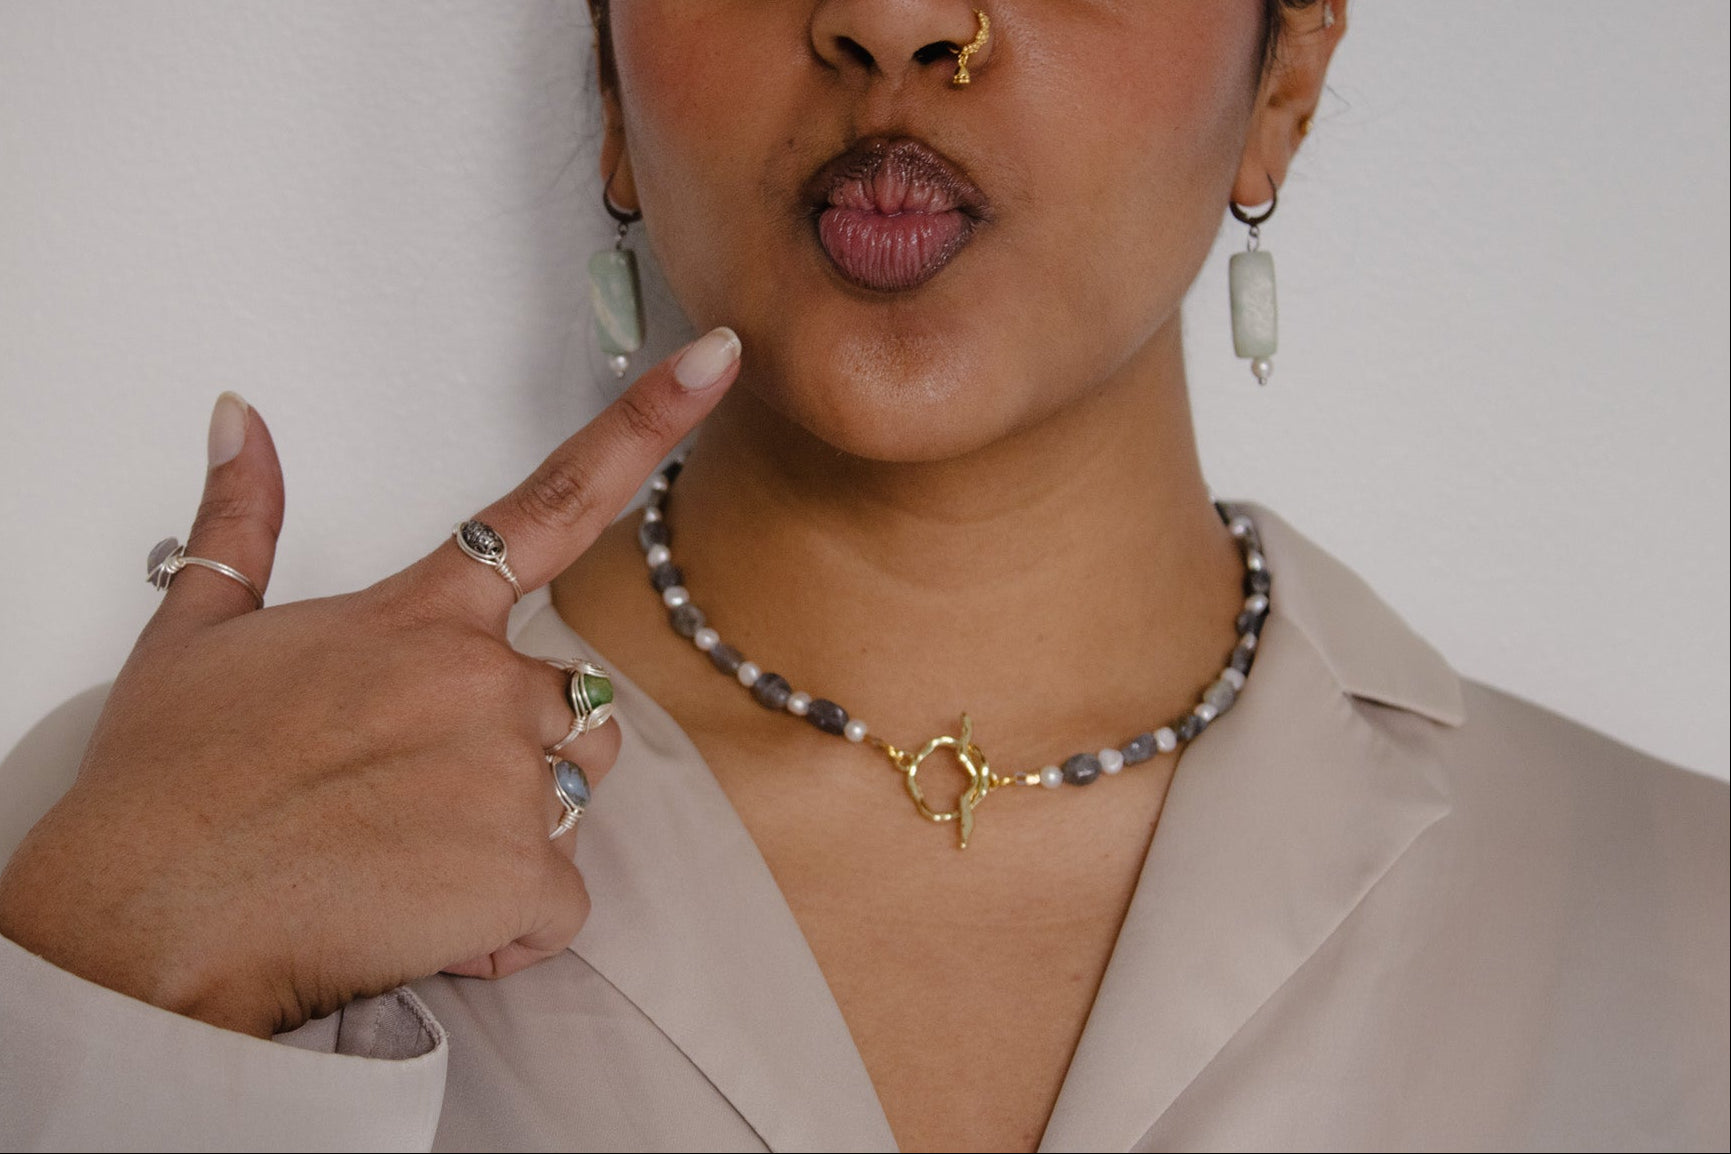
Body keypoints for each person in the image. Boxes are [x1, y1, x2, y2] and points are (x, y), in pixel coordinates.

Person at [0, 1, 1724, 1150]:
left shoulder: (1682, 920)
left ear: (1282, 76)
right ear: (609, 72)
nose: (896, 12)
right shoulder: (145, 843)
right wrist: (101, 1009)